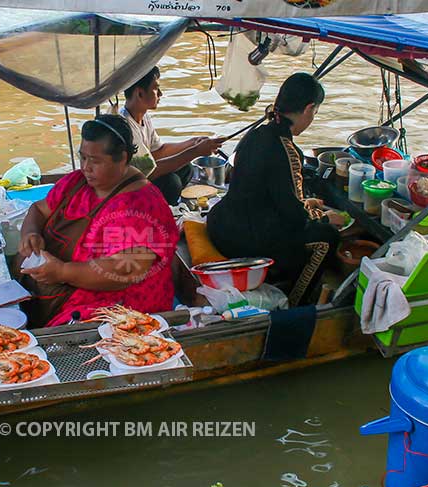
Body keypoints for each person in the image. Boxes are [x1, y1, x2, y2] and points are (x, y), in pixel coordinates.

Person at [17, 114, 179, 327]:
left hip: (119, 303)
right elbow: (38, 209)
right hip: (55, 285)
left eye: (95, 161)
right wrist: (31, 233)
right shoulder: (77, 182)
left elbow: (125, 271)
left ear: (122, 158)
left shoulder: (140, 207)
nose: (86, 167)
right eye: (83, 157)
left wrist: (63, 272)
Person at [206, 73, 344, 306]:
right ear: (309, 108)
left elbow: (262, 192)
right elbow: (295, 218)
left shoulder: (257, 133)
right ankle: (294, 303)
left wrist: (306, 203)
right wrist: (324, 218)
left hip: (221, 224)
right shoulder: (287, 152)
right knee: (326, 239)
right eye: (315, 113)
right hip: (243, 241)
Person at [120, 66, 224, 205]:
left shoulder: (143, 116)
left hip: (144, 175)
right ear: (139, 94)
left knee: (186, 168)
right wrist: (195, 151)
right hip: (129, 189)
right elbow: (149, 172)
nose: (161, 94)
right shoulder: (124, 126)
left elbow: (158, 151)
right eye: (156, 88)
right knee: (171, 182)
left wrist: (193, 143)